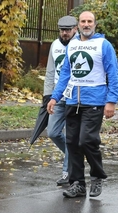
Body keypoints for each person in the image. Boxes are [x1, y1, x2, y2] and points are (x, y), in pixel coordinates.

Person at [46, 11, 118, 198]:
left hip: (94, 101)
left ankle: (97, 177)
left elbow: (113, 74)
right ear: (78, 25)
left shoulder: (103, 45)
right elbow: (65, 74)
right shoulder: (72, 44)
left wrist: (111, 101)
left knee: (87, 140)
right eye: (83, 21)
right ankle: (77, 183)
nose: (86, 24)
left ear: (95, 24)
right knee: (72, 143)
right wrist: (54, 97)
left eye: (90, 21)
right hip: (72, 101)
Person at [43, 15, 78, 186]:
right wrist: (47, 95)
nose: (65, 33)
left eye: (68, 30)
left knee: (71, 135)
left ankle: (67, 173)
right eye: (62, 30)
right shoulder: (54, 45)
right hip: (57, 96)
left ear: (75, 30)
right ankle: (74, 155)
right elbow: (50, 71)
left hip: (74, 97)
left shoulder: (80, 45)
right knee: (53, 132)